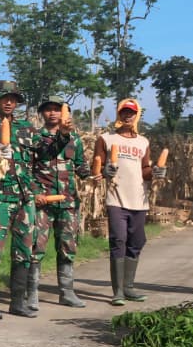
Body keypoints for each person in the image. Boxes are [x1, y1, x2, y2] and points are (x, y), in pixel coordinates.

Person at [0, 81, 61, 319]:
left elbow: (46, 153)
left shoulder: (28, 128)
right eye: (4, 98)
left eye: (13, 98)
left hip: (25, 197)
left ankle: (17, 302)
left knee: (23, 250)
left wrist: (63, 136)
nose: (9, 102)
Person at [94, 98, 160, 306]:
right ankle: (118, 291)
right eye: (124, 112)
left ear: (137, 115)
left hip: (139, 200)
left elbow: (145, 171)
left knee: (137, 242)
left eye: (131, 113)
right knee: (118, 240)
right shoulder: (106, 139)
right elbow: (97, 166)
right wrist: (105, 170)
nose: (128, 116)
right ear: (119, 114)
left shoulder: (143, 142)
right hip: (117, 198)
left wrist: (156, 171)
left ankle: (129, 286)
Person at [30, 98, 92, 309]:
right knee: (36, 247)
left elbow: (82, 167)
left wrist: (96, 173)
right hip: (42, 202)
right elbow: (29, 166)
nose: (53, 113)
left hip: (68, 201)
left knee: (67, 247)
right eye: (48, 110)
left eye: (57, 110)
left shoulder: (75, 139)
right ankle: (32, 293)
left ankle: (67, 292)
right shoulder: (36, 137)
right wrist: (34, 192)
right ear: (42, 114)